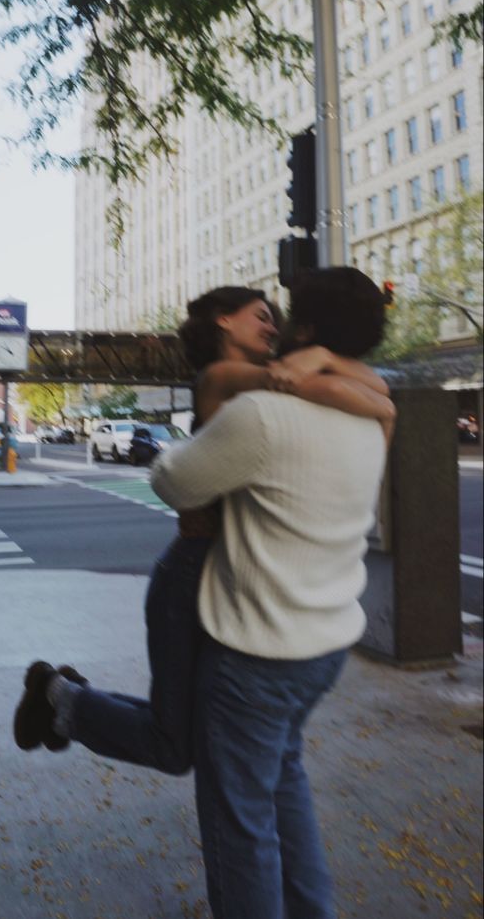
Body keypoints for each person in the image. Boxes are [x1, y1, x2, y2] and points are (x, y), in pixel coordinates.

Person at [13, 281, 394, 776]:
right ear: (224, 320)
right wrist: (370, 398)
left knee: (189, 736)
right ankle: (57, 697)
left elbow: (359, 387)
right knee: (178, 744)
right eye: (260, 315)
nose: (272, 326)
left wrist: (325, 359)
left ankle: (63, 700)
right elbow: (358, 390)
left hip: (226, 569)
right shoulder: (223, 376)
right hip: (191, 573)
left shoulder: (266, 376)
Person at [148, 266, 391, 919]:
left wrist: (172, 454)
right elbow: (376, 396)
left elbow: (173, 483)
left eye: (282, 316)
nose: (274, 323)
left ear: (304, 330)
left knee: (240, 826)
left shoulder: (262, 415)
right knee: (283, 786)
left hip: (255, 654)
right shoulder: (371, 418)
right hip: (324, 646)